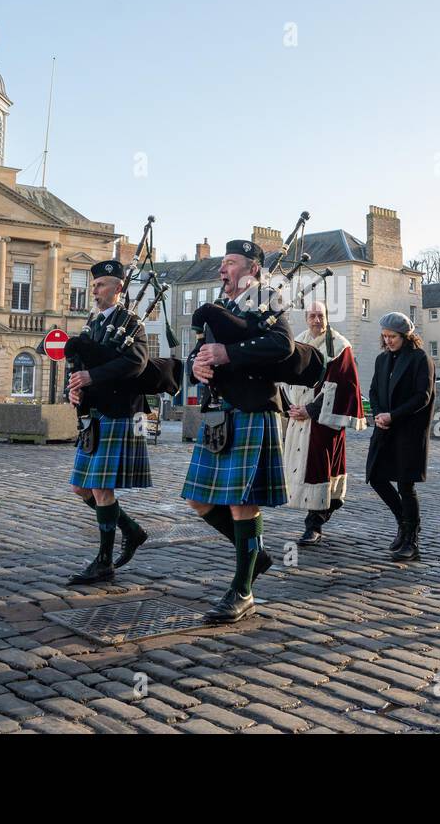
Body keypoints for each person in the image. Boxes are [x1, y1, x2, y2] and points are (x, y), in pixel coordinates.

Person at [182, 240, 290, 623]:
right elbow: (200, 351)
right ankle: (254, 554)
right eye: (222, 263)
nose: (221, 270)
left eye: (229, 263)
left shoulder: (267, 299)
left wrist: (230, 354)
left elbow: (283, 344)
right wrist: (197, 366)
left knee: (242, 504)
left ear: (252, 269)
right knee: (199, 500)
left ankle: (243, 591)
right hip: (218, 415)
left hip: (250, 409)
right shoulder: (222, 307)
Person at [65, 259, 152, 584]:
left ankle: (104, 562)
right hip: (94, 414)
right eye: (94, 284)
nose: (95, 289)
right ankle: (131, 530)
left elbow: (136, 363)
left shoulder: (131, 324)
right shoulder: (93, 325)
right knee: (81, 487)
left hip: (120, 412)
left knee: (101, 489)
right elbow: (80, 367)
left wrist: (92, 375)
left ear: (118, 288)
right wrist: (76, 392)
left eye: (101, 284)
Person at [283, 300, 365, 545]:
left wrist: (310, 409)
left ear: (328, 317)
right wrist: (291, 407)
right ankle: (324, 509)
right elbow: (286, 378)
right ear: (306, 318)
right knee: (306, 470)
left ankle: (314, 524)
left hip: (323, 421)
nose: (316, 320)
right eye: (312, 316)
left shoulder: (339, 346)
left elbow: (341, 386)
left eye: (321, 315)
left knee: (320, 469)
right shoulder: (298, 342)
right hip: (299, 419)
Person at [367, 312, 436, 561]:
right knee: (375, 476)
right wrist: (378, 415)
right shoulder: (381, 360)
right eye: (385, 336)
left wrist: (392, 416)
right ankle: (404, 522)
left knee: (406, 485)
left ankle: (412, 538)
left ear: (406, 336)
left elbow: (422, 397)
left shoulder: (420, 359)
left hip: (408, 430)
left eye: (392, 337)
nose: (388, 341)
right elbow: (374, 391)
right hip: (384, 428)